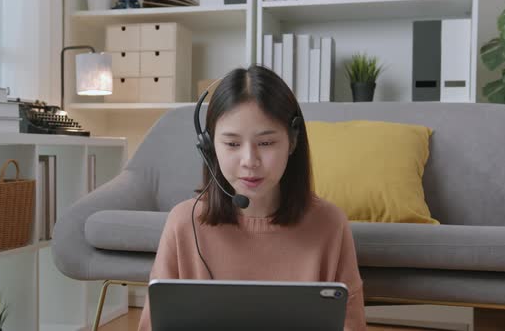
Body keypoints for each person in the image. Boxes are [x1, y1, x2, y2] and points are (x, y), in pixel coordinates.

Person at [137, 65, 367, 330]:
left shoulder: (329, 224)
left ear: (292, 141)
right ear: (210, 147)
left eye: (266, 143)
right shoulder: (183, 223)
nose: (250, 161)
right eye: (232, 144)